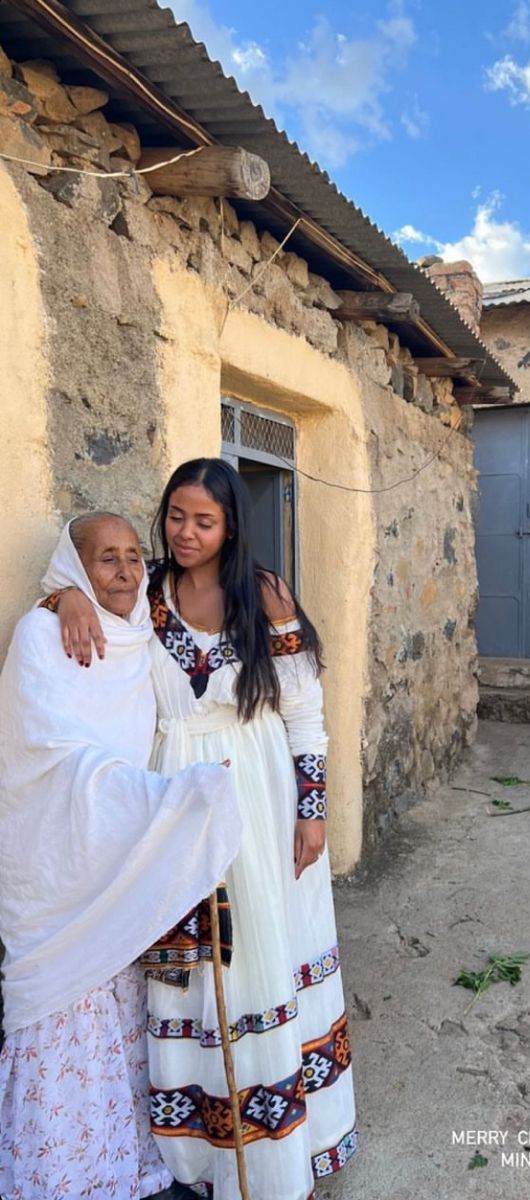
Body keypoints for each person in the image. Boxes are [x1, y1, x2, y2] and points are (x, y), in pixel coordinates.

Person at [55, 461, 358, 1200]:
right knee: (185, 962)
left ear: (230, 528)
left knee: (256, 952)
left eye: (204, 521)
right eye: (176, 517)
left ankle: (276, 1155)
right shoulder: (147, 590)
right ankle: (197, 1154)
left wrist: (312, 812)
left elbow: (305, 714)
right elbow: (71, 569)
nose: (184, 533)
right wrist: (65, 595)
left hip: (254, 787)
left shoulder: (263, 595)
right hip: (171, 790)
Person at [0, 513, 242, 1200]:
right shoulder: (41, 635)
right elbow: (51, 762)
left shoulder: (141, 638)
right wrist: (164, 800)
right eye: (105, 560)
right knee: (63, 1020)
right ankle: (61, 1174)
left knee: (120, 1019)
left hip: (121, 869)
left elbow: (183, 711)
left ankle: (122, 1156)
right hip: (59, 876)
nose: (127, 572)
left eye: (136, 557)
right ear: (73, 566)